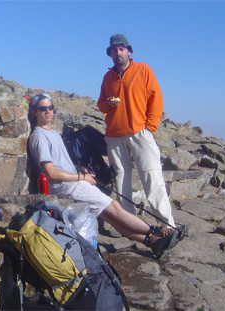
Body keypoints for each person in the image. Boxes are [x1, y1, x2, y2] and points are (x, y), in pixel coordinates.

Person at [27, 93, 179, 259]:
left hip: (74, 182)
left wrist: (80, 172)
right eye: (43, 109)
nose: (48, 111)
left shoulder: (53, 133)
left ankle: (152, 242)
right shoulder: (39, 137)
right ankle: (156, 232)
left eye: (50, 107)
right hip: (67, 187)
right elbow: (51, 173)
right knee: (114, 207)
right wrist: (81, 178)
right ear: (34, 112)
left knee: (109, 216)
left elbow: (62, 165)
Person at [97, 34, 189, 238]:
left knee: (152, 177)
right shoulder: (107, 77)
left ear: (129, 51)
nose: (118, 52)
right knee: (121, 181)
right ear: (110, 53)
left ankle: (167, 226)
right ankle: (130, 227)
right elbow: (101, 105)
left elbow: (156, 98)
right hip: (114, 135)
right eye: (114, 50)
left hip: (140, 132)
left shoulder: (143, 70)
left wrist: (150, 127)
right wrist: (108, 104)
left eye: (121, 49)